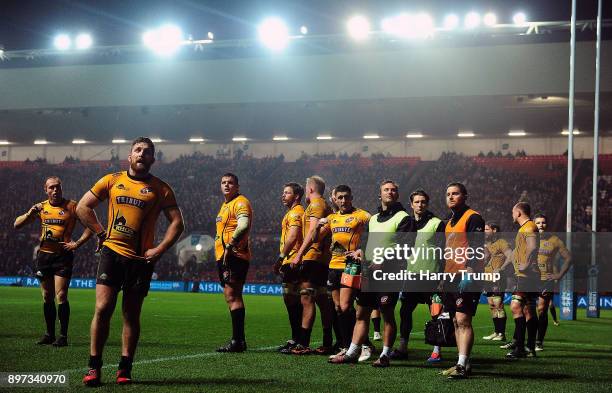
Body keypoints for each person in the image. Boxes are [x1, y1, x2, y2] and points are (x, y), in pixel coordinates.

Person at [77, 137, 184, 386]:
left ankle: (125, 368)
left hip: (140, 260)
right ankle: (94, 367)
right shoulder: (112, 180)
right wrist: (100, 232)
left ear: (152, 159)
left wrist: (159, 250)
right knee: (103, 308)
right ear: (129, 156)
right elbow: (83, 207)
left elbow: (178, 223)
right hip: (112, 253)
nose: (142, 154)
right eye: (138, 150)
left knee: (130, 314)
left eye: (147, 152)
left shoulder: (161, 188)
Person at [330, 179, 411, 367]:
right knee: (361, 313)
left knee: (387, 314)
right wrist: (360, 252)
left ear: (397, 195)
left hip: (390, 274)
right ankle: (351, 352)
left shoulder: (403, 218)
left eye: (393, 190)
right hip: (369, 273)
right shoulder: (373, 219)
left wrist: (384, 259)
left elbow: (406, 247)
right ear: (380, 194)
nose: (389, 192)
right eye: (386, 190)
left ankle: (384, 355)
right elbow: (365, 244)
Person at [13, 176, 93, 347]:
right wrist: (29, 213)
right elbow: (16, 225)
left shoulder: (72, 206)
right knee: (47, 296)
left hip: (63, 256)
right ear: (46, 190)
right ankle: (49, 334)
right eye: (51, 187)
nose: (55, 190)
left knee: (61, 295)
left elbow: (90, 225)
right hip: (44, 256)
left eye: (58, 187)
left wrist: (77, 243)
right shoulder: (41, 207)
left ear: (61, 188)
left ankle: (63, 336)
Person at [391, 189, 445, 363]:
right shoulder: (406, 224)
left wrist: (442, 276)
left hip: (431, 276)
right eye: (417, 202)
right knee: (405, 311)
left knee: (436, 314)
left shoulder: (437, 224)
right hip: (411, 276)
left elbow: (444, 252)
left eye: (423, 201)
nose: (420, 205)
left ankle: (437, 350)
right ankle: (403, 348)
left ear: (427, 204)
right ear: (411, 204)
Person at [318, 185, 370, 359]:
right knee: (339, 307)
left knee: (347, 306)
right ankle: (347, 346)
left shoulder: (361, 215)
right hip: (334, 266)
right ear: (335, 199)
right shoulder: (331, 218)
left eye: (346, 197)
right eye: (340, 197)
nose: (343, 200)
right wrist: (319, 225)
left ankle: (363, 344)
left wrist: (362, 250)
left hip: (351, 267)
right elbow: (317, 239)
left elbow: (376, 228)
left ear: (351, 197)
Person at [440, 182, 485, 379]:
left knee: (463, 320)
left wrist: (470, 271)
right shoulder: (448, 222)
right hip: (450, 277)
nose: (451, 197)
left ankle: (461, 364)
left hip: (466, 276)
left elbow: (477, 246)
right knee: (455, 321)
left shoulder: (473, 217)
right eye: (448, 194)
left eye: (455, 193)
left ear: (465, 196)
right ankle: (463, 363)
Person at [290, 176, 333, 355]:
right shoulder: (325, 205)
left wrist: (299, 254)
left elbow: (313, 232)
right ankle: (327, 341)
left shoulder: (315, 205)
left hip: (313, 257)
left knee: (306, 298)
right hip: (322, 259)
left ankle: (304, 343)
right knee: (323, 301)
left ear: (309, 189)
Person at [214, 173, 253, 353]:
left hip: (234, 254)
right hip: (225, 256)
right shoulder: (225, 205)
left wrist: (231, 244)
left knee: (233, 296)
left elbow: (243, 224)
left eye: (230, 183)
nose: (226, 185)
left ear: (237, 186)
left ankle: (238, 341)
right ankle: (239, 340)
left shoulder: (240, 202)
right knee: (231, 296)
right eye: (223, 182)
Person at [504, 202, 540, 359]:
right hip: (528, 275)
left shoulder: (528, 227)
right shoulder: (525, 228)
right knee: (528, 310)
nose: (512, 215)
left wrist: (525, 264)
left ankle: (519, 348)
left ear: (518, 212)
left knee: (515, 306)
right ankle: (530, 347)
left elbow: (532, 247)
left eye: (513, 212)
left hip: (526, 275)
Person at [533, 213, 571, 351]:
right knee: (524, 310)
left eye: (543, 222)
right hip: (529, 279)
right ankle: (519, 341)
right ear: (533, 224)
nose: (541, 225)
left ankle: (538, 342)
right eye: (538, 223)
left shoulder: (555, 240)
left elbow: (568, 258)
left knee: (542, 309)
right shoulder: (527, 238)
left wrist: (558, 275)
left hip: (545, 280)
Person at [274, 182, 304, 353]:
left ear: (297, 196)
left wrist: (280, 258)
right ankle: (296, 338)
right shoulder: (292, 213)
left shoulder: (296, 213)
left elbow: (292, 237)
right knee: (291, 301)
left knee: (293, 301)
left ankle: (298, 339)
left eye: (287, 193)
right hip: (290, 261)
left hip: (293, 261)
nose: (283, 195)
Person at [482, 223, 512, 342]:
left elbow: (510, 256)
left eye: (486, 229)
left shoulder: (501, 242)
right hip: (487, 278)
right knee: (491, 306)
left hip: (497, 279)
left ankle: (502, 334)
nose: (484, 231)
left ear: (494, 230)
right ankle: (496, 332)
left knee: (498, 305)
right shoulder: (484, 244)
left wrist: (502, 268)